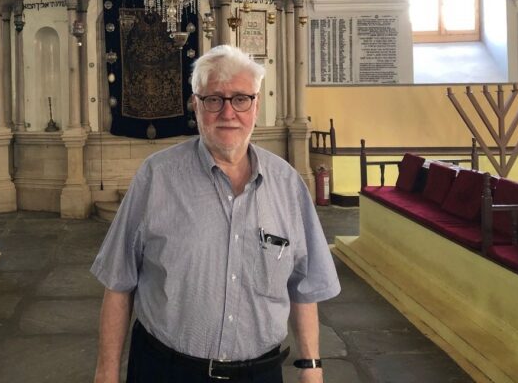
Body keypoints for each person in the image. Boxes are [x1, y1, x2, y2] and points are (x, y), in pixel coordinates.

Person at [91, 44, 340, 383]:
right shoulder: (157, 177)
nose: (228, 112)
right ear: (195, 105)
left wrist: (311, 367)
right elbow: (118, 281)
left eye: (241, 99)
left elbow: (304, 285)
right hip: (166, 370)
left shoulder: (287, 184)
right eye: (213, 99)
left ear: (256, 105)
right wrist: (106, 373)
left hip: (259, 374)